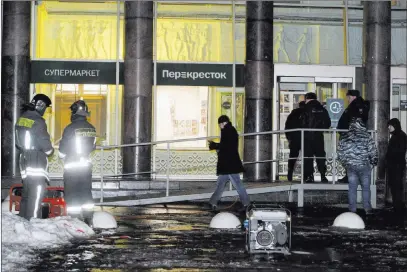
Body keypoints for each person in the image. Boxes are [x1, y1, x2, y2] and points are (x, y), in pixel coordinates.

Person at [15, 94, 54, 220]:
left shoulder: (22, 118)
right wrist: (50, 150)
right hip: (35, 160)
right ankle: (33, 222)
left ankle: (23, 220)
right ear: (41, 105)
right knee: (36, 193)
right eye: (45, 107)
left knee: (26, 193)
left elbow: (17, 142)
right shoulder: (38, 121)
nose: (45, 111)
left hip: (24, 159)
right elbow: (46, 146)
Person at [59, 100, 96, 223]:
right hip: (86, 167)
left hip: (72, 168)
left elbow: (62, 152)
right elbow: (93, 147)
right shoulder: (91, 128)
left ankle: (74, 220)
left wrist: (64, 156)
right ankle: (88, 219)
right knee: (85, 192)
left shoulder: (69, 128)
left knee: (72, 194)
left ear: (75, 112)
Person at [208, 115, 250, 211]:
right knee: (221, 183)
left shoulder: (228, 131)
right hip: (229, 163)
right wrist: (216, 145)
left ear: (223, 123)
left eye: (220, 125)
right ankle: (213, 202)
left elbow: (226, 146)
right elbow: (227, 145)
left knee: (237, 184)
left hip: (229, 164)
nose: (220, 127)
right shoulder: (229, 130)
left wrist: (215, 145)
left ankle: (247, 204)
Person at [337, 118, 378, 214]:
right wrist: (373, 163)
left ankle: (352, 209)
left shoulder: (345, 136)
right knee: (366, 188)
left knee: (352, 188)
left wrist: (345, 164)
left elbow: (340, 153)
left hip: (351, 166)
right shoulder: (367, 136)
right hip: (364, 165)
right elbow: (373, 151)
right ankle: (367, 208)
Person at [337, 90, 370, 183]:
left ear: (353, 97)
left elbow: (352, 121)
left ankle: (351, 177)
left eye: (348, 97)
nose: (347, 99)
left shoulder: (356, 106)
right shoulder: (357, 106)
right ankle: (350, 176)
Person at [301, 92, 331, 183]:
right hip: (318, 136)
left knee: (308, 157)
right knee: (320, 156)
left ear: (307, 99)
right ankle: (323, 176)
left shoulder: (304, 108)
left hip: (307, 136)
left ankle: (310, 176)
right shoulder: (322, 108)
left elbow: (301, 122)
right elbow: (327, 123)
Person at [386, 118, 407, 227]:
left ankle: (398, 209)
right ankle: (397, 207)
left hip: (396, 167)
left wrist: (389, 159)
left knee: (397, 188)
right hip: (396, 166)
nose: (388, 127)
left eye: (390, 125)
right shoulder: (399, 135)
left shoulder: (400, 136)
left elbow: (398, 152)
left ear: (394, 125)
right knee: (395, 188)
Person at [285, 101, 306, 181]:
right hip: (305, 138)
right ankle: (306, 175)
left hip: (294, 138)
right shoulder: (306, 113)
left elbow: (287, 127)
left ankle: (290, 173)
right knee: (306, 156)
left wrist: (289, 138)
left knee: (293, 156)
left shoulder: (293, 114)